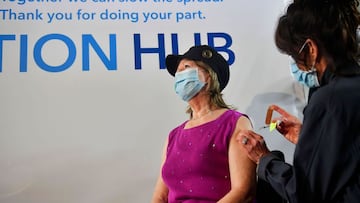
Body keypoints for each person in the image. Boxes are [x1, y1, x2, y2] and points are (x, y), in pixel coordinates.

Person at [237, 0, 360, 203]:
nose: (296, 64)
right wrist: (311, 137)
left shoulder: (329, 100)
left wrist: (264, 159)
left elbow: (305, 193)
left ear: (311, 48)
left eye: (295, 55)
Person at [151, 45, 257, 203]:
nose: (179, 74)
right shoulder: (173, 136)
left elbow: (243, 190)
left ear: (209, 76)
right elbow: (160, 196)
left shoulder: (234, 123)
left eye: (186, 67)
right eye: (178, 71)